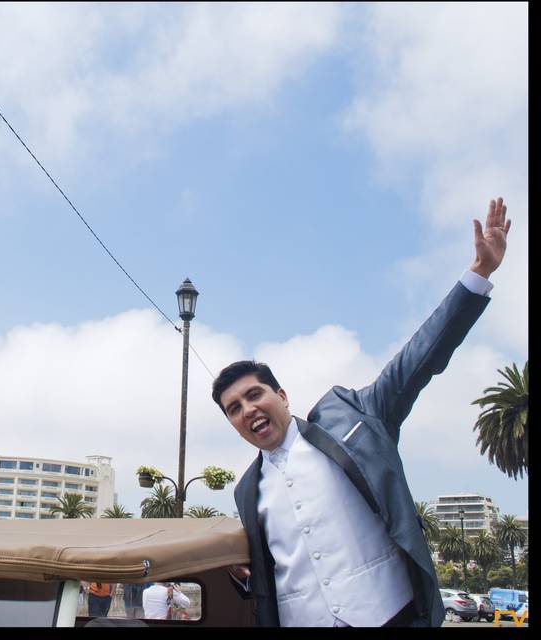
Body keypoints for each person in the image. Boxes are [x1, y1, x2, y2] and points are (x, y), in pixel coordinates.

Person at [214, 198, 511, 627]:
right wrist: (241, 574)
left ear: (282, 395)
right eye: (234, 409)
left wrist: (478, 274)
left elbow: (418, 359)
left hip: (392, 616)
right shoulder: (247, 491)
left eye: (254, 394)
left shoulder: (354, 418)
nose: (248, 410)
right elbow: (268, 577)